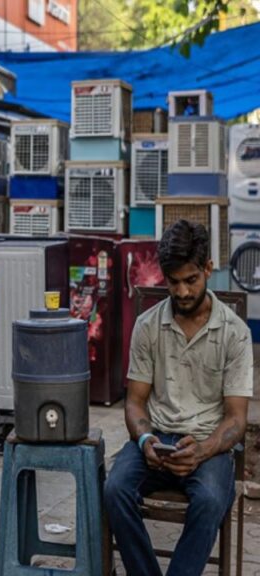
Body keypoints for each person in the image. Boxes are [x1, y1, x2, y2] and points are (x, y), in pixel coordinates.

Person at [104, 219, 252, 576]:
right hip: (157, 441)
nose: (183, 292)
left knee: (212, 499)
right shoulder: (148, 326)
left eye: (191, 280)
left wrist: (202, 450)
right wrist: (143, 439)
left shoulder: (235, 333)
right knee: (113, 490)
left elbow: (236, 418)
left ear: (208, 270)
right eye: (173, 282)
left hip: (208, 445)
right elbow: (135, 402)